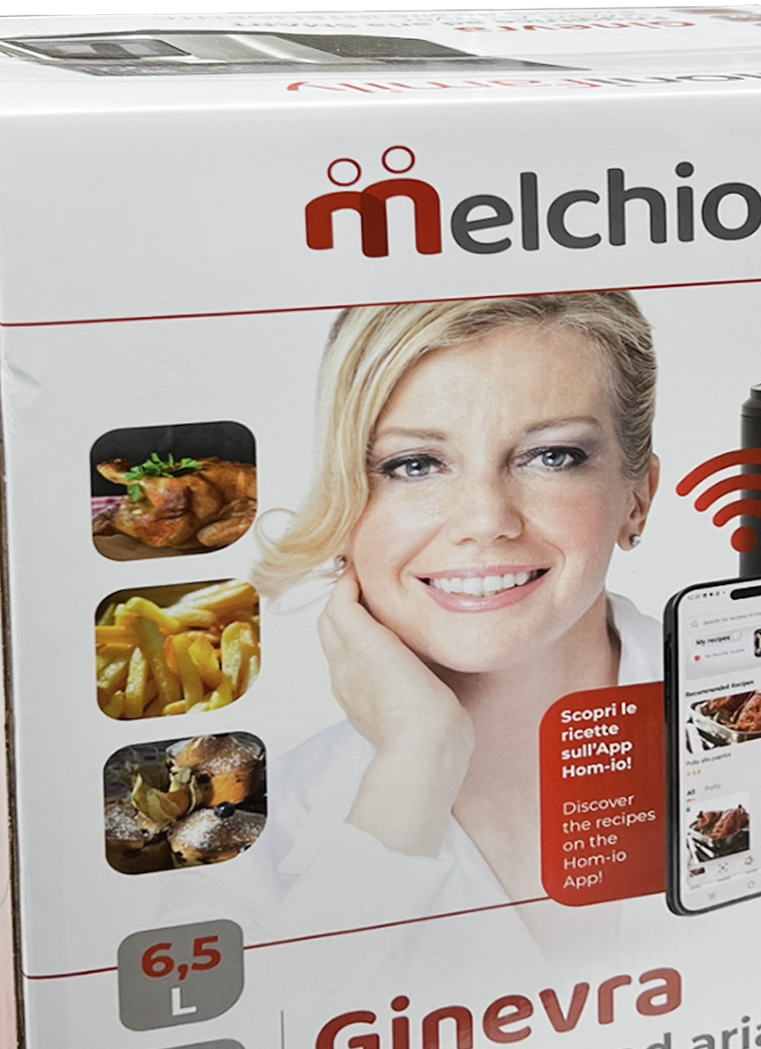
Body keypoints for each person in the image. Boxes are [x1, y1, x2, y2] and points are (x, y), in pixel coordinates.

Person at [250, 293, 660, 940]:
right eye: (413, 465)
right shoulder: (248, 834)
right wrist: (417, 760)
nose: (485, 521)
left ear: (638, 498)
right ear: (342, 507)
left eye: (551, 456)